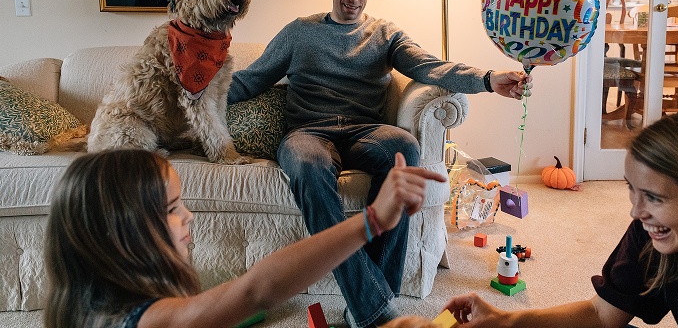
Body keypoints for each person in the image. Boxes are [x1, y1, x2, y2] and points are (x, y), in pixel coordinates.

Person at [227, 0, 532, 327]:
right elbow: (250, 79)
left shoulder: (385, 34)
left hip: (364, 131)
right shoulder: (300, 32)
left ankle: (367, 302)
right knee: (306, 165)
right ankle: (375, 310)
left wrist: (487, 80)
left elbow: (431, 67)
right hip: (308, 132)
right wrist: (190, 95)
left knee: (404, 147)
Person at [43, 148, 445, 328]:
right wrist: (370, 222)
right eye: (170, 209)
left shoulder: (86, 307)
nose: (189, 215)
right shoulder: (149, 323)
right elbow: (258, 291)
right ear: (119, 234)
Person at [442, 111, 678, 328]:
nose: (637, 213)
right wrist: (501, 320)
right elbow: (601, 314)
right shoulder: (652, 232)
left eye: (654, 197)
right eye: (632, 190)